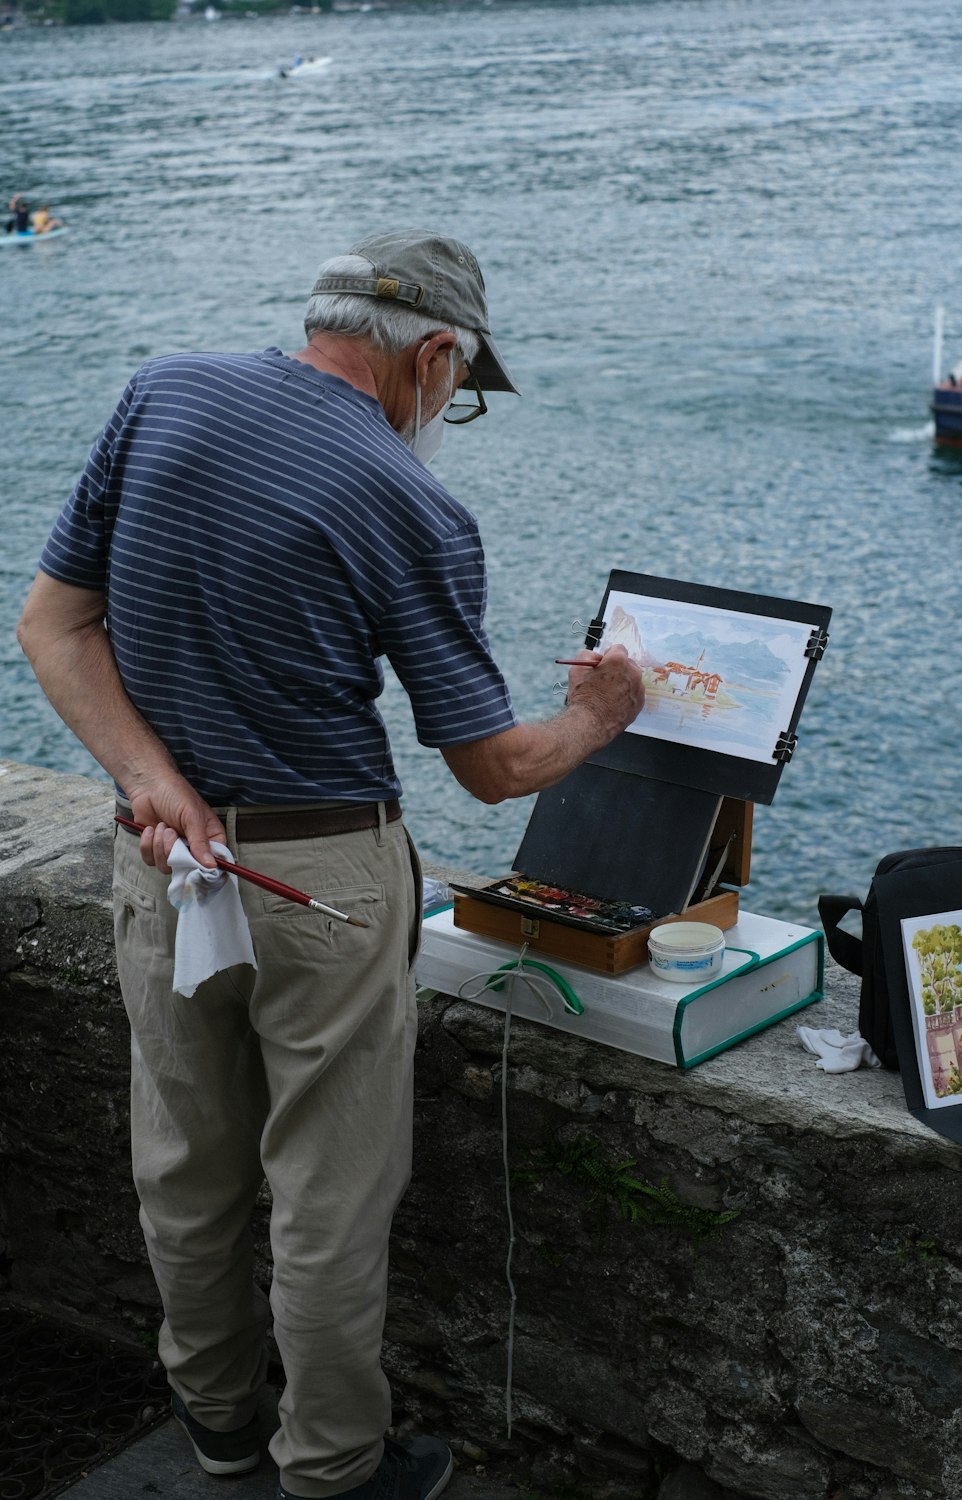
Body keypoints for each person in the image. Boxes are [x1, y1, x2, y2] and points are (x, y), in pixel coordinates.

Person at [17, 228, 644, 1500]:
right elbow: (493, 767)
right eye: (456, 390)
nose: (447, 414)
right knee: (325, 1199)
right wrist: (601, 715)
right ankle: (333, 1470)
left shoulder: (163, 389)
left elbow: (52, 622)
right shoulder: (411, 502)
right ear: (430, 354)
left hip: (162, 857)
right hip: (322, 883)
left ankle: (218, 1433)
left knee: (184, 1171)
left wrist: (154, 783)